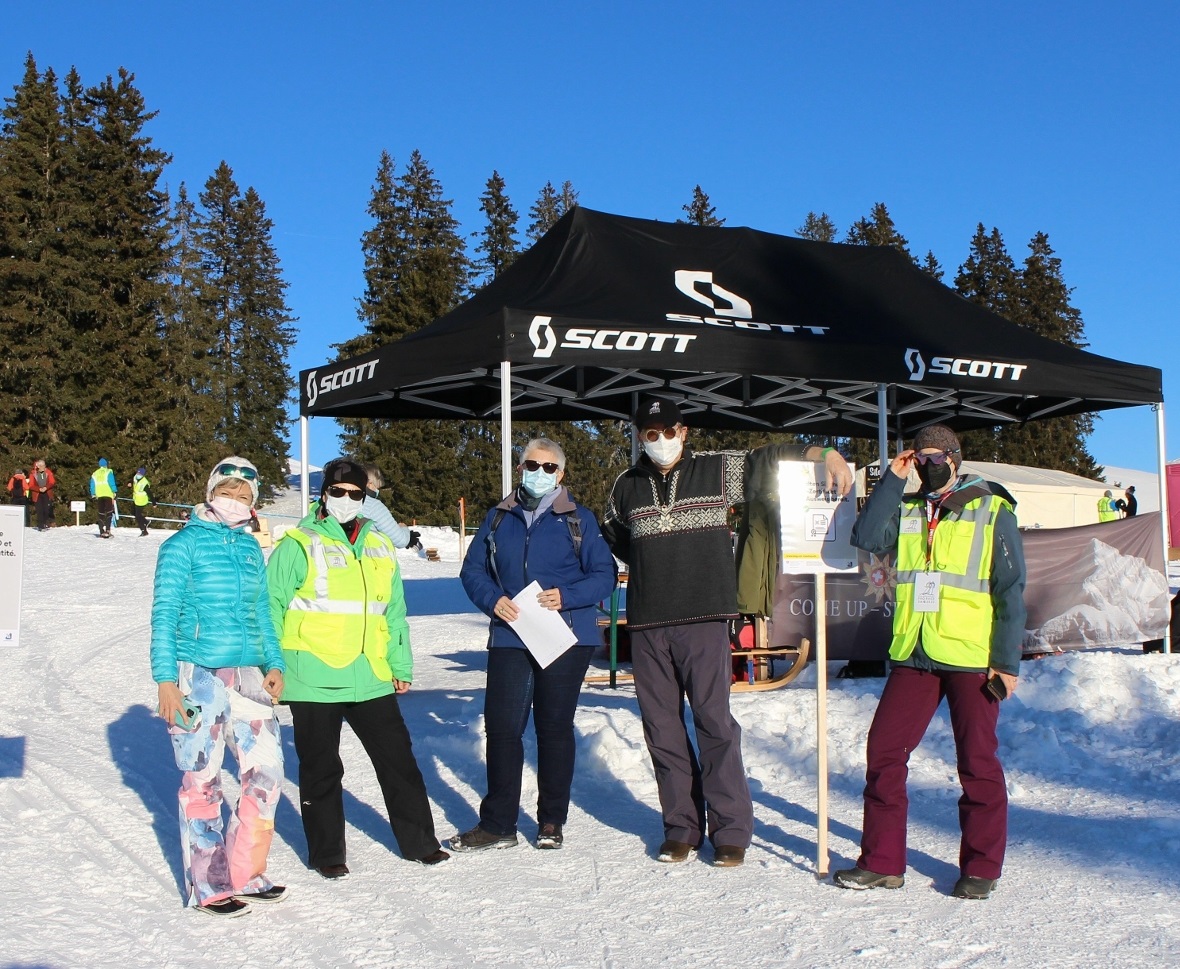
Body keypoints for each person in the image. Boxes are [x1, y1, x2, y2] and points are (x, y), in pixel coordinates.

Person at [601, 395, 852, 867]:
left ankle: (731, 829)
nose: (659, 440)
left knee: (714, 724)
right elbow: (615, 534)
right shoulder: (625, 485)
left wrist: (823, 454)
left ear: (684, 431)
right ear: (639, 436)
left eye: (667, 431)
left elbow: (767, 459)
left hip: (705, 619)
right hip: (650, 622)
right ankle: (681, 827)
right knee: (662, 730)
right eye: (649, 434)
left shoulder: (717, 470)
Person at [833, 424, 1025, 901]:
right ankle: (882, 863)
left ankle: (981, 868)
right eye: (920, 457)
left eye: (936, 457)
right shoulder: (911, 507)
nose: (927, 465)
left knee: (976, 762)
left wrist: (1006, 662)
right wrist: (893, 481)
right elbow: (868, 534)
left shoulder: (992, 508)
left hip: (969, 656)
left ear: (956, 459)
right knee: (883, 751)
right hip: (915, 653)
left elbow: (1009, 590)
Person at [268, 458, 448, 877]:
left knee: (399, 762)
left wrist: (399, 662)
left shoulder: (379, 544)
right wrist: (273, 665)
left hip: (370, 674)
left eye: (355, 494)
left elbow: (394, 612)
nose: (347, 500)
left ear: (365, 498)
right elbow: (269, 607)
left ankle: (421, 843)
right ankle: (328, 854)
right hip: (312, 675)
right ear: (324, 494)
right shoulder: (298, 543)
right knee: (320, 769)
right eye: (338, 492)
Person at [454, 438, 617, 851]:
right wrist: (493, 599)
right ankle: (498, 824)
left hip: (565, 634)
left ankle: (550, 821)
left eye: (549, 468)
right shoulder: (497, 517)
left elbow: (605, 574)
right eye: (532, 464)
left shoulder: (580, 519)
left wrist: (568, 595)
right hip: (511, 633)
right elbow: (472, 571)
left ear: (560, 475)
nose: (539, 473)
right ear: (519, 467)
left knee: (553, 726)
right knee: (503, 728)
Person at [149, 456, 287, 918]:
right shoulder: (180, 546)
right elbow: (164, 617)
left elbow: (264, 614)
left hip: (249, 676)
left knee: (266, 773)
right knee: (202, 778)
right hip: (198, 676)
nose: (236, 501)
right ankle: (208, 882)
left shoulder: (251, 550)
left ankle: (247, 870)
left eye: (245, 497)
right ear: (211, 493)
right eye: (229, 492)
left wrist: (274, 663)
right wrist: (166, 683)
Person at [361, 463, 421, 550]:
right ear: (369, 484)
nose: (377, 490)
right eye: (376, 486)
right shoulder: (373, 505)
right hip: (370, 560)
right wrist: (403, 528)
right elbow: (400, 540)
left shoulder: (344, 501)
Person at [89, 457, 117, 538]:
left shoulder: (95, 474)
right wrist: (114, 491)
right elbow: (112, 482)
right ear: (106, 464)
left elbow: (92, 485)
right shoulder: (108, 472)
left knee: (101, 513)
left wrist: (93, 494)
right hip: (108, 495)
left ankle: (101, 531)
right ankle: (108, 530)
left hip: (99, 496)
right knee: (109, 513)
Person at [28, 459, 55, 530]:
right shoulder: (33, 474)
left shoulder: (48, 472)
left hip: (47, 493)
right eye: (41, 465)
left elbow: (52, 482)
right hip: (37, 494)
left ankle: (45, 523)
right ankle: (40, 525)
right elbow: (31, 485)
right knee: (39, 510)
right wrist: (38, 489)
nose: (43, 467)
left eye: (44, 465)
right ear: (38, 466)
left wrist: (46, 487)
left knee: (46, 509)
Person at [132, 467, 155, 536]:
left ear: (143, 475)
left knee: (138, 516)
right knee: (135, 514)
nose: (138, 474)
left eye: (140, 473)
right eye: (138, 473)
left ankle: (144, 531)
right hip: (136, 499)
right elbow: (133, 483)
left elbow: (150, 493)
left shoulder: (144, 483)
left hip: (142, 501)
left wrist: (154, 503)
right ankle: (145, 521)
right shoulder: (135, 478)